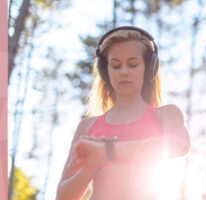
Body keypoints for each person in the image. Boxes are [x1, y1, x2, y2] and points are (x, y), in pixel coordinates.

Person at [56, 26, 190, 200]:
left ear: (148, 68)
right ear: (105, 71)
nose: (124, 72)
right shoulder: (87, 126)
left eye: (133, 64)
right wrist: (92, 163)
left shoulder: (166, 114)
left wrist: (106, 150)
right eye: (116, 65)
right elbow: (62, 197)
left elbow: (178, 144)